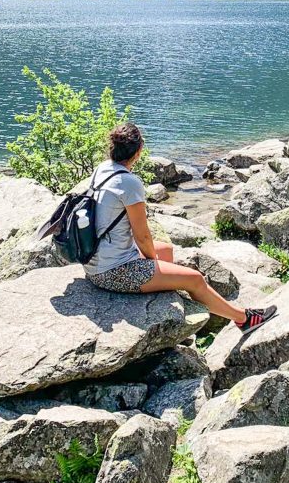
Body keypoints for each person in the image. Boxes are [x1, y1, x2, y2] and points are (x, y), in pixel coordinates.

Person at [85, 122, 277, 334]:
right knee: (194, 279)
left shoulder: (103, 169)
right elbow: (142, 238)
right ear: (139, 151)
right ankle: (244, 319)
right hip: (112, 271)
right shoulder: (129, 182)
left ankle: (169, 310)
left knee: (166, 249)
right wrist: (151, 261)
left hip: (96, 256)